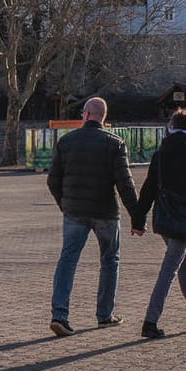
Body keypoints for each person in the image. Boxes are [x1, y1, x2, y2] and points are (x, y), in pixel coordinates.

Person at [46, 96, 141, 336]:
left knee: (68, 260)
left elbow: (53, 180)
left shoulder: (66, 142)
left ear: (87, 114)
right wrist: (137, 217)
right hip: (105, 211)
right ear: (103, 117)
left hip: (74, 212)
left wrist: (64, 204)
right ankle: (104, 314)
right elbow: (125, 184)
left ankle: (60, 314)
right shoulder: (115, 143)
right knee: (110, 260)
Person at [133, 109, 186, 339]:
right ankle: (150, 321)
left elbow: (148, 188)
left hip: (164, 217)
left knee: (184, 265)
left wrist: (139, 220)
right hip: (184, 218)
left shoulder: (161, 152)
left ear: (172, 126)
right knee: (169, 270)